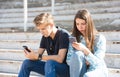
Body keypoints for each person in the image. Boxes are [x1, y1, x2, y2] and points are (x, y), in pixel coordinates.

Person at [18, 13, 70, 77]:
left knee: (50, 62)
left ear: (51, 25)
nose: (41, 32)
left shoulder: (63, 35)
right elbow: (38, 55)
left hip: (65, 70)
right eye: (39, 29)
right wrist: (32, 55)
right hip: (50, 68)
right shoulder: (45, 36)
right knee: (27, 63)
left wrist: (38, 56)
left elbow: (60, 59)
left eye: (43, 29)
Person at [66, 9, 108, 77]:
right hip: (81, 69)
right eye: (77, 24)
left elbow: (98, 63)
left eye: (83, 24)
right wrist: (82, 60)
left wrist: (85, 50)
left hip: (97, 70)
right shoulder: (73, 38)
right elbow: (68, 60)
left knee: (87, 76)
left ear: (89, 23)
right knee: (77, 54)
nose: (80, 27)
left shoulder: (100, 38)